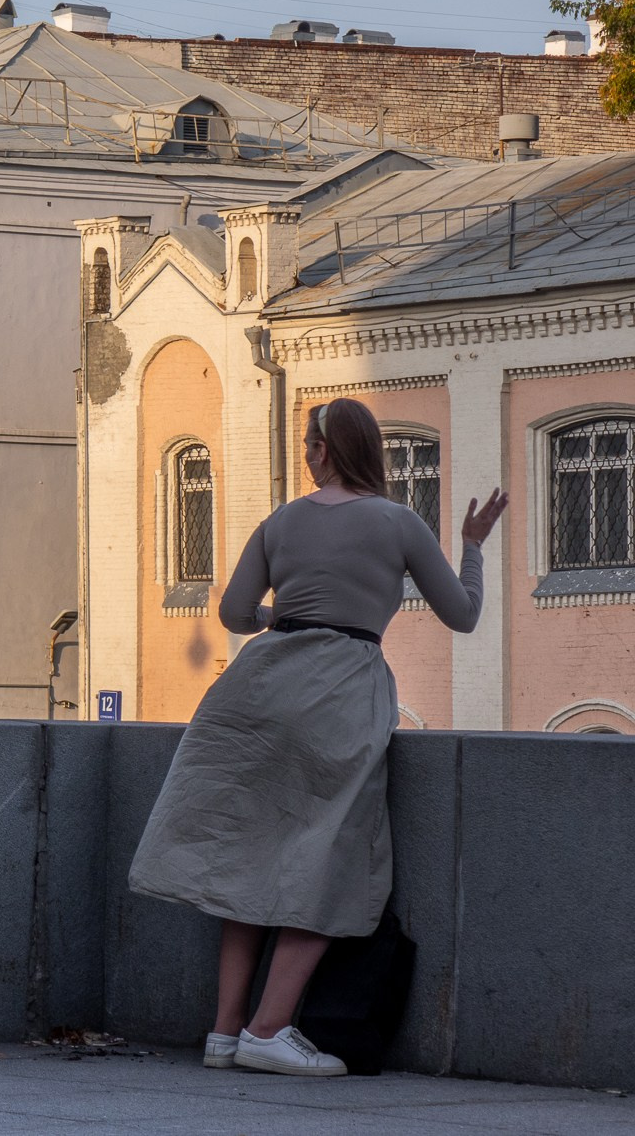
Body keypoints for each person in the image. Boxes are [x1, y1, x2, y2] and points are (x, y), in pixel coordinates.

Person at [128, 397, 507, 1077]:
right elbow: (464, 615)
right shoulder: (398, 523)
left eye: (310, 442)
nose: (306, 452)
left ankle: (223, 1032)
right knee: (328, 865)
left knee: (246, 858)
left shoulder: (281, 522)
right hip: (341, 690)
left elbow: (236, 612)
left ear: (326, 449)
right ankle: (269, 1029)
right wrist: (473, 545)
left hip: (262, 684)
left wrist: (291, 613)